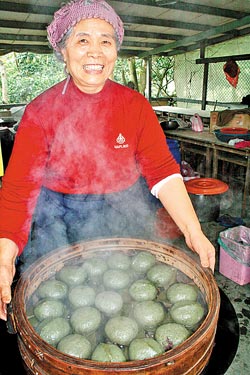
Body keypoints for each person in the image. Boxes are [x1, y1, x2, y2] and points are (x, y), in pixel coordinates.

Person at [0, 0, 215, 322]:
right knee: (61, 296)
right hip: (59, 212)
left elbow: (162, 172)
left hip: (124, 205)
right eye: (82, 40)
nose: (95, 51)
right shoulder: (40, 112)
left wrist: (193, 230)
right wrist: (5, 260)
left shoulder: (134, 105)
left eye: (106, 40)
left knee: (132, 291)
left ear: (116, 50)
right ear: (63, 50)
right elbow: (19, 189)